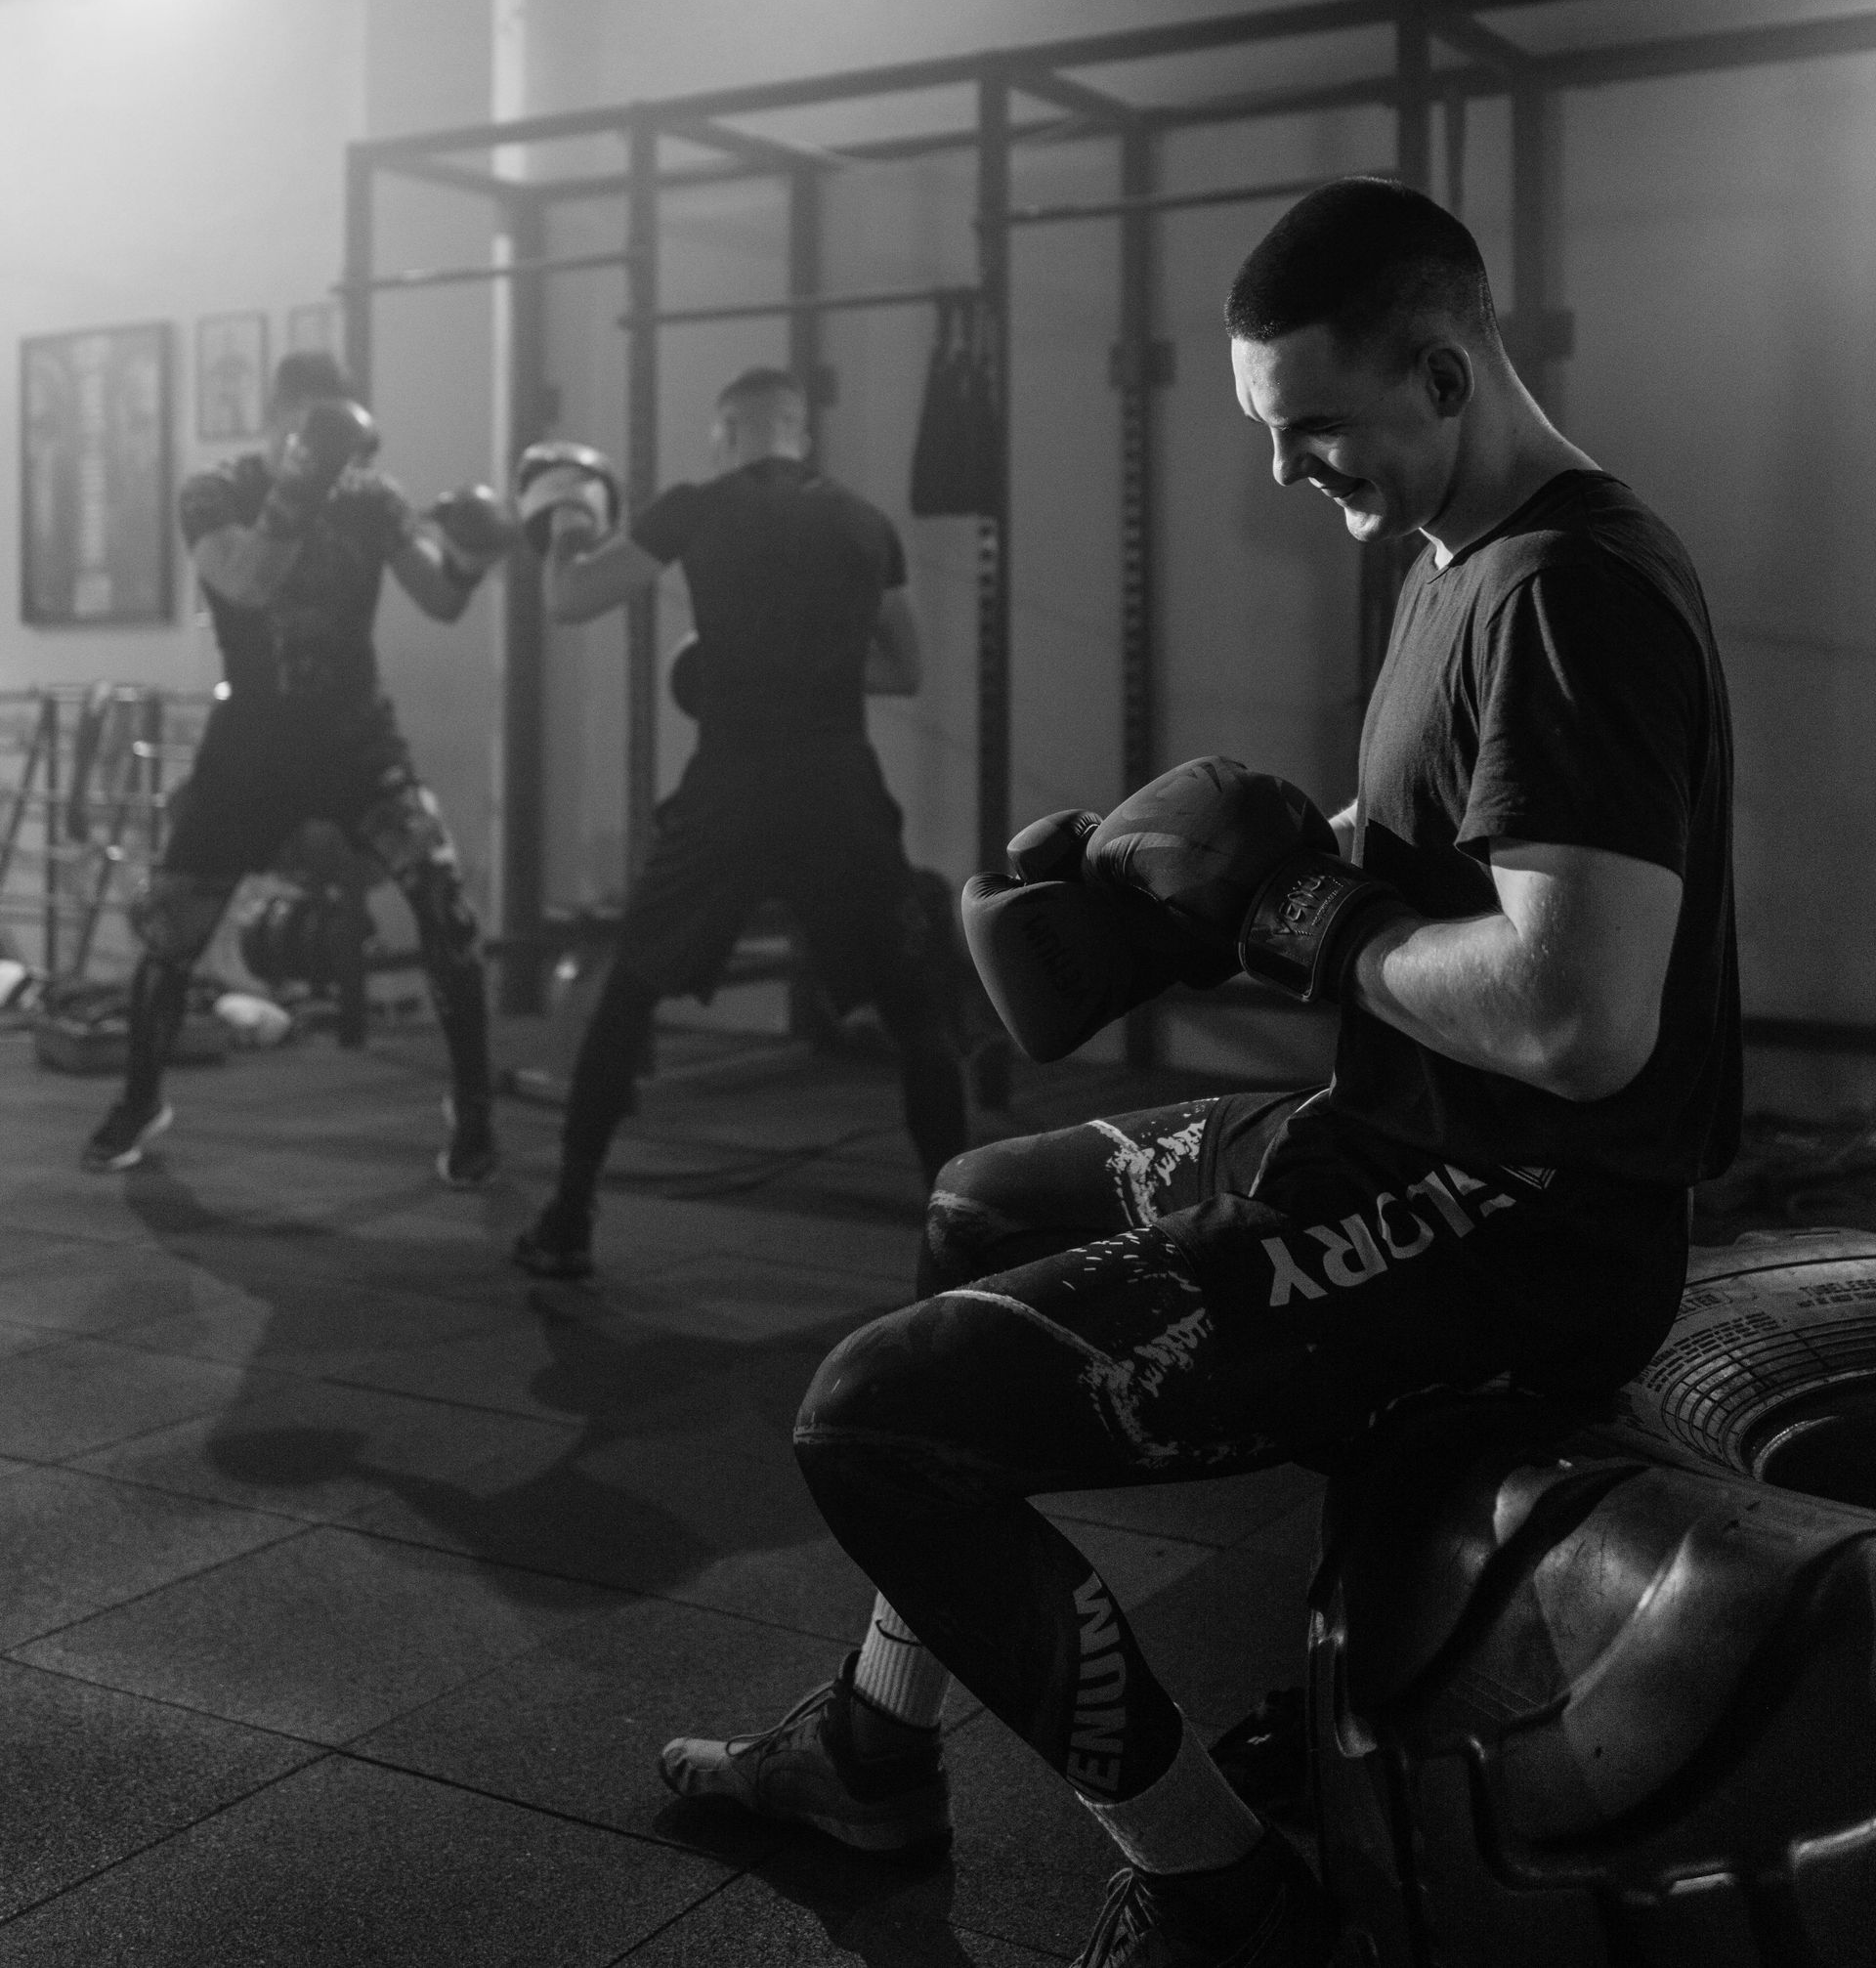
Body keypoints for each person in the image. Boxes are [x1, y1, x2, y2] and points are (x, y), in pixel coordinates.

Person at [657, 180, 1738, 1968]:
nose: (1289, 469)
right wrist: (1168, 879)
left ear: (1448, 370)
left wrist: (1303, 914)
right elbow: (1439, 848)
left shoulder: (1573, 596)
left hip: (1523, 1219)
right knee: (975, 1202)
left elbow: (1578, 1018)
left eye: (1317, 425)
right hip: (1403, 1137)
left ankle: (1213, 1885)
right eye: (1268, 428)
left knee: (873, 1419)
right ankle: (874, 1745)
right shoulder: (1464, 560)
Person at [511, 364, 970, 1281]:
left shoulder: (694, 505)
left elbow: (570, 600)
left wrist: (565, 518)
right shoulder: (864, 521)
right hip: (837, 785)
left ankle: (568, 1218)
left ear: (726, 432)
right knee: (919, 1013)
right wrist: (817, 669)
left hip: (731, 785)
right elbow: (905, 670)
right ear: (800, 431)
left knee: (631, 990)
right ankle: (965, 1246)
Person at [83, 352, 513, 1184]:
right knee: (174, 931)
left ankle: (474, 1113)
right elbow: (241, 582)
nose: (319, 447)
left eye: (332, 430)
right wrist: (301, 484)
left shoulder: (375, 499)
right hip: (250, 743)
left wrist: (474, 553)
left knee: (443, 900)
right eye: (306, 427)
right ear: (277, 418)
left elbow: (440, 599)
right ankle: (140, 1099)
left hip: (357, 735)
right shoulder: (214, 491)